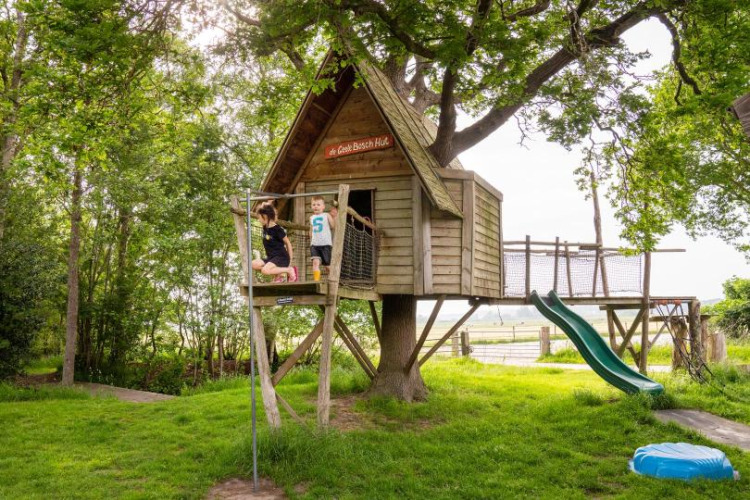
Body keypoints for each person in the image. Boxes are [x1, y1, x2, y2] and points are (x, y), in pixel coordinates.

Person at [252, 204, 297, 282]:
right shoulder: (265, 227)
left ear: (265, 216)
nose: (258, 220)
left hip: (281, 257)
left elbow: (288, 243)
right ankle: (278, 274)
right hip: (271, 258)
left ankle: (289, 270)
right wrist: (268, 203)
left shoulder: (278, 230)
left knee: (265, 271)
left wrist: (290, 260)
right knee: (253, 264)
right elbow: (268, 207)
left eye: (259, 218)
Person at [309, 196, 337, 281]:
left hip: (325, 244)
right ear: (311, 206)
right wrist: (311, 239)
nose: (316, 206)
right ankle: (316, 281)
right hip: (314, 245)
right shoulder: (311, 218)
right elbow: (311, 230)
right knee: (315, 263)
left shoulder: (326, 215)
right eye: (314, 205)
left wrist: (334, 217)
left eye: (318, 205)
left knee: (327, 265)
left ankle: (333, 280)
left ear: (323, 206)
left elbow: (333, 226)